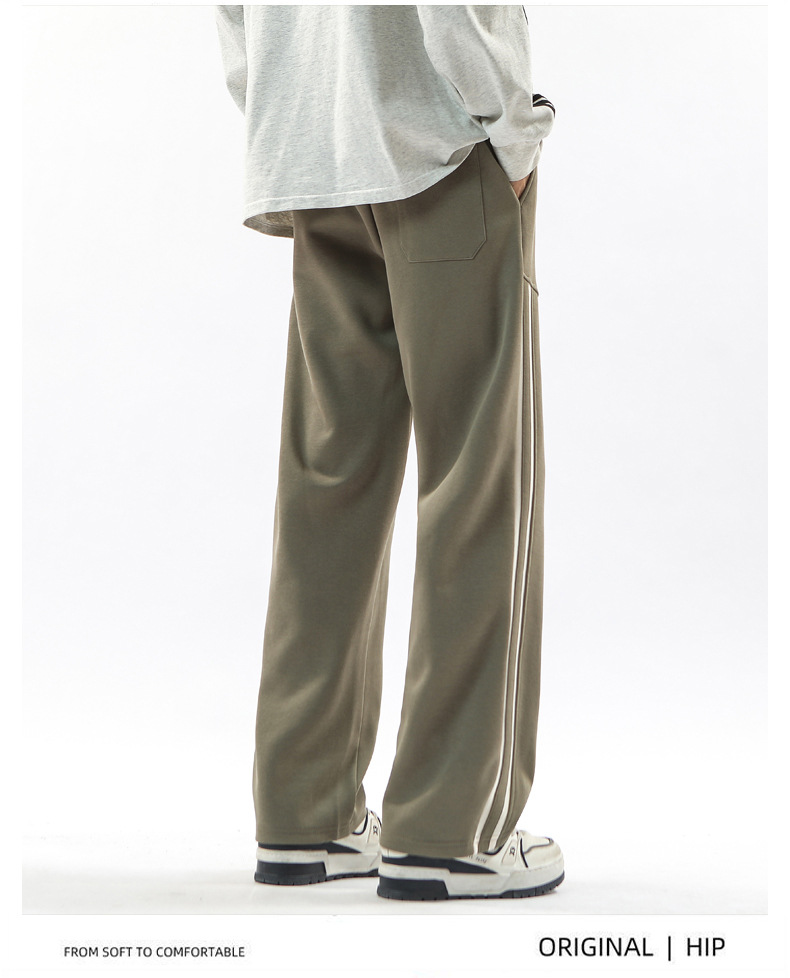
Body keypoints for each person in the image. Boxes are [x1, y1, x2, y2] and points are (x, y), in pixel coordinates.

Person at [214, 4, 563, 902]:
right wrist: (510, 125)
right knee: (478, 481)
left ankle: (307, 811)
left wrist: (285, 107)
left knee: (327, 487)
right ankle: (453, 831)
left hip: (312, 153)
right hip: (439, 147)